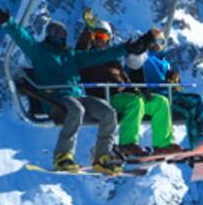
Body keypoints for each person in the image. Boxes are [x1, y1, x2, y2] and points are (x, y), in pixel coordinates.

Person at [0, 6, 158, 174]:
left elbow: (100, 55)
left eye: (61, 33)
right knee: (76, 109)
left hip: (77, 97)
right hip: (54, 99)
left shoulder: (72, 55)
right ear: (47, 35)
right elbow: (22, 37)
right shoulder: (39, 51)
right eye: (54, 32)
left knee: (108, 112)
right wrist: (7, 22)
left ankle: (103, 156)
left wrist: (125, 49)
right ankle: (63, 156)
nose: (58, 36)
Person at [75, 10, 183, 157]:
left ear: (108, 39)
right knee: (134, 102)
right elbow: (79, 52)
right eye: (96, 36)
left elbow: (133, 52)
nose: (100, 40)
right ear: (92, 39)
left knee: (161, 102)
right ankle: (127, 144)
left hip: (126, 96)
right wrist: (87, 30)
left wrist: (136, 89)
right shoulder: (86, 58)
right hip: (105, 99)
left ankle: (163, 144)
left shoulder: (112, 59)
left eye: (104, 36)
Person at [126, 32, 203, 150]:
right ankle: (199, 143)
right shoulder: (143, 58)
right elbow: (148, 77)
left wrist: (174, 82)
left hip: (167, 94)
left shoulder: (165, 63)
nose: (156, 45)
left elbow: (166, 83)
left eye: (160, 42)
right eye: (153, 41)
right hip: (156, 96)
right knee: (198, 103)